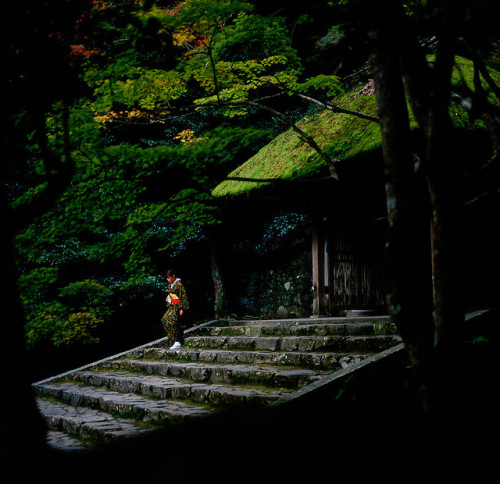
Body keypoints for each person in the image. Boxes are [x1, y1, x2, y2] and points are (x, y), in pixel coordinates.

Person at [161, 269, 189, 350]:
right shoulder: (170, 285)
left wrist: (182, 308)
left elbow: (183, 296)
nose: (168, 279)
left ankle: (177, 340)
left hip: (178, 306)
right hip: (172, 305)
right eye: (167, 278)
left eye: (169, 277)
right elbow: (172, 295)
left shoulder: (179, 284)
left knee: (172, 321)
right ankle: (174, 339)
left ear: (173, 276)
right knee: (164, 320)